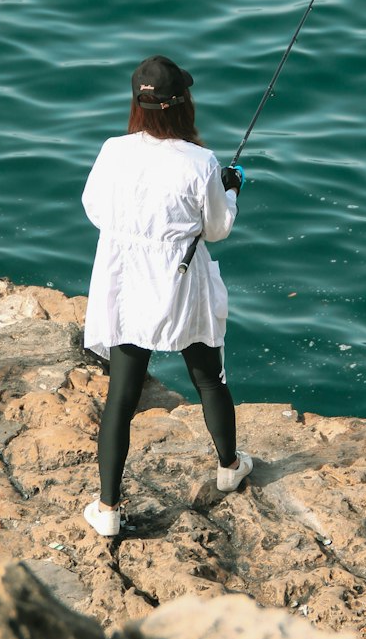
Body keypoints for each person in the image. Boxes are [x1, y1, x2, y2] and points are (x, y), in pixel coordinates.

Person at [81, 55, 253, 537]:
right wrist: (231, 189)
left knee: (122, 397)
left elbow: (94, 208)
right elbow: (217, 229)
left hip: (124, 285)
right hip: (181, 286)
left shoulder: (113, 150)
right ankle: (229, 467)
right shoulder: (201, 163)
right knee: (208, 378)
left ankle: (109, 510)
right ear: (183, 105)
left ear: (137, 103)